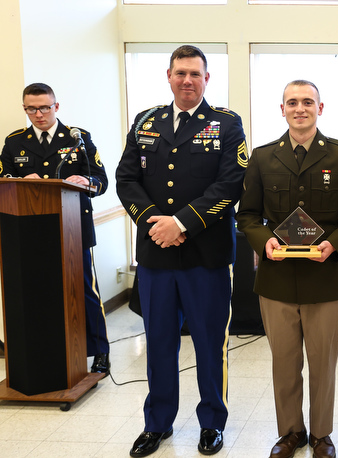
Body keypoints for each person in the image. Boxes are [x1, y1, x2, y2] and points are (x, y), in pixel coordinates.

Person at [116, 45, 249, 457]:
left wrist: (182, 224)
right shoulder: (146, 121)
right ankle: (157, 423)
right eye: (180, 73)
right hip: (156, 256)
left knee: (210, 344)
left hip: (205, 258)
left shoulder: (226, 124)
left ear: (207, 78)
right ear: (168, 76)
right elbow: (126, 179)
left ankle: (212, 422)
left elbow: (229, 186)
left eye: (195, 73)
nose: (187, 80)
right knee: (158, 342)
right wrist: (157, 222)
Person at [236, 80, 338, 458]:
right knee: (284, 364)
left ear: (320, 107)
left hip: (326, 280)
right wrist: (264, 241)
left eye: (307, 102)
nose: (300, 108)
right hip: (277, 280)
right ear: (281, 109)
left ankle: (321, 435)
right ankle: (291, 433)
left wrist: (335, 245)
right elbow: (246, 215)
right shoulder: (262, 158)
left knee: (323, 365)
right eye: (292, 102)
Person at [0, 82, 110, 374]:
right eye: (31, 109)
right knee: (38, 292)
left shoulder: (77, 138)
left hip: (74, 229)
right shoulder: (15, 142)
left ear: (56, 106)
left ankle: (99, 351)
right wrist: (21, 181)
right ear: (25, 109)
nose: (38, 114)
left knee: (84, 290)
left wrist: (86, 182)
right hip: (30, 231)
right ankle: (48, 353)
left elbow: (101, 179)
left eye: (45, 107)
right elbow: (4, 177)